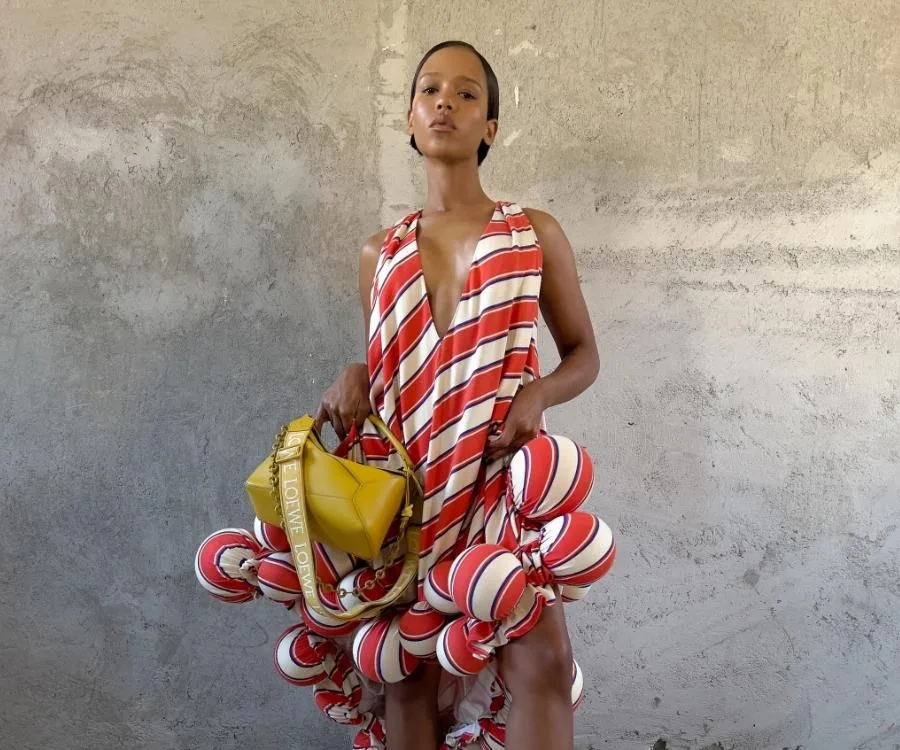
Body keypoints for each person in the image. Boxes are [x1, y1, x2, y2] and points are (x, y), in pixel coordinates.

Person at [314, 40, 602, 750]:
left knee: (542, 658)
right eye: (430, 90)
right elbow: (393, 368)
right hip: (406, 486)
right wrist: (355, 375)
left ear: (490, 129)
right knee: (408, 676)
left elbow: (585, 356)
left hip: (501, 479)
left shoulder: (532, 232)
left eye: (467, 93)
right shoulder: (376, 253)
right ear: (411, 120)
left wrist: (536, 394)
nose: (445, 102)